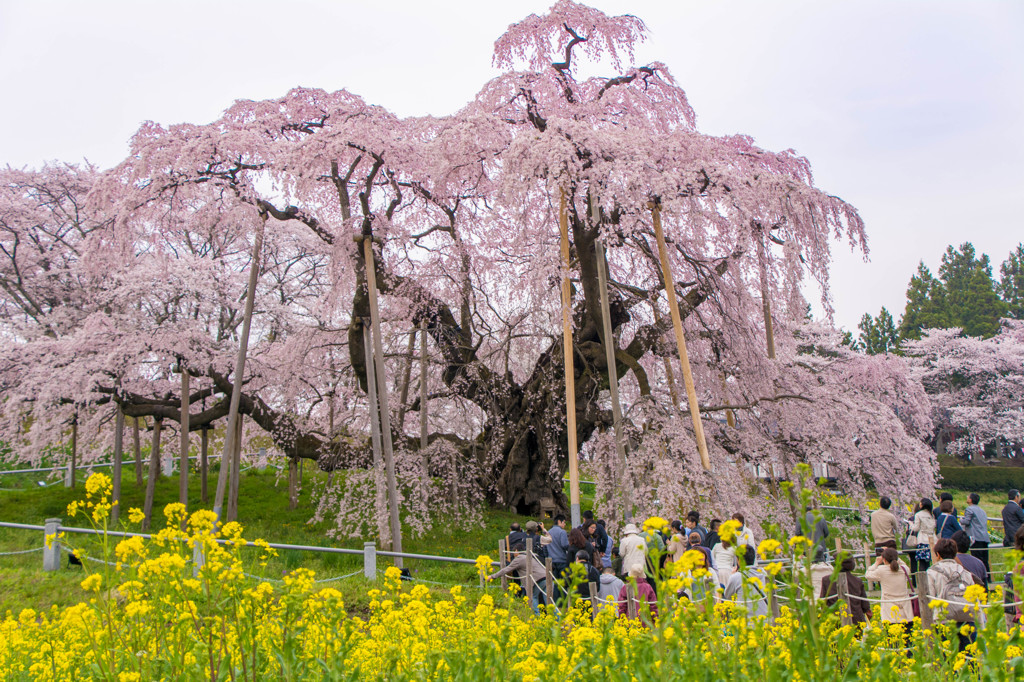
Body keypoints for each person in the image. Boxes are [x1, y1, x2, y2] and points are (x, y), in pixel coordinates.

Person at [927, 538, 981, 652]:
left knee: (948, 658)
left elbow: (930, 599)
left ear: (937, 554)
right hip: (967, 618)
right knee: (968, 658)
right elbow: (975, 599)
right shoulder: (965, 573)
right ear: (955, 554)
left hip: (943, 619)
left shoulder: (932, 572)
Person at [485, 541, 548, 614]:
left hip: (537, 579)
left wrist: (492, 576)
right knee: (549, 601)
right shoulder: (531, 556)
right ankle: (557, 619)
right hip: (546, 577)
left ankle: (537, 617)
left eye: (514, 551)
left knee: (532, 597)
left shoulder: (519, 558)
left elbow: (506, 569)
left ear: (517, 550)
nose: (513, 554)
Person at [864, 547, 915, 627]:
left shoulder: (881, 570)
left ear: (884, 560)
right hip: (906, 611)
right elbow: (903, 565)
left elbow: (868, 574)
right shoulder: (904, 569)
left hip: (889, 612)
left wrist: (876, 563)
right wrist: (894, 555)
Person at [821, 556, 871, 624]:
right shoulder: (857, 581)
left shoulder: (826, 580)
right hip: (856, 620)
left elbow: (823, 603)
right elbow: (865, 606)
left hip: (834, 620)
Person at [960, 493, 990, 577]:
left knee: (977, 559)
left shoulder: (969, 509)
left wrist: (961, 520)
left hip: (975, 537)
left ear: (970, 500)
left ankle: (979, 577)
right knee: (985, 560)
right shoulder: (982, 510)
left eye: (968, 497)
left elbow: (966, 521)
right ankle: (988, 577)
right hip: (984, 537)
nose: (967, 498)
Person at [909, 498, 936, 575]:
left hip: (922, 540)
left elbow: (916, 528)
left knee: (921, 562)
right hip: (931, 540)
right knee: (928, 562)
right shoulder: (931, 515)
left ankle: (922, 581)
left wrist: (911, 525)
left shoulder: (918, 514)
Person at [545, 514, 571, 580]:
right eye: (564, 522)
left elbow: (545, 546)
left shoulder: (548, 532)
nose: (565, 524)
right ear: (559, 521)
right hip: (561, 560)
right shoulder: (562, 532)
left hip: (551, 561)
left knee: (554, 581)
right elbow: (564, 545)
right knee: (563, 582)